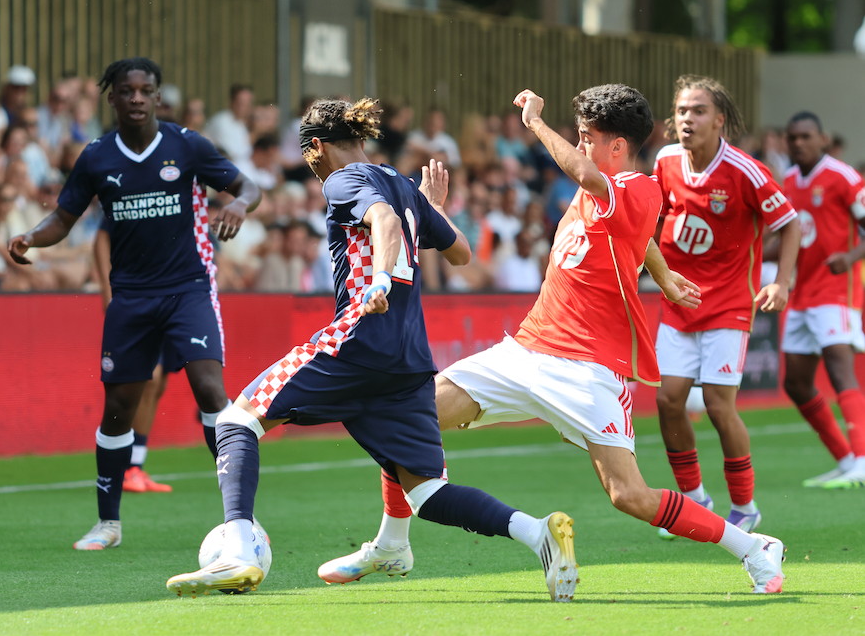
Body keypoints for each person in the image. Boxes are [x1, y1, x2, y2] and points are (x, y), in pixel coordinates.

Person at [316, 85, 787, 596]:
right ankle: (392, 543)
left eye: (587, 138)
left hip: (587, 370)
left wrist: (536, 125)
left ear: (617, 146)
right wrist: (666, 275)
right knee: (408, 416)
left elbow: (598, 184)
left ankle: (752, 546)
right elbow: (635, 234)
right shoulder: (602, 192)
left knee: (629, 496)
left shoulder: (639, 185)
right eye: (577, 137)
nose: (581, 147)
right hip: (526, 351)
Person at [165, 99, 579, 601]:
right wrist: (431, 209)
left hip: (358, 340)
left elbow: (381, 220)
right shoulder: (401, 182)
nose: (311, 168)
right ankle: (538, 533)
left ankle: (238, 551)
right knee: (426, 493)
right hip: (407, 360)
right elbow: (461, 252)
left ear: (316, 146)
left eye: (309, 156)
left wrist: (380, 276)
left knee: (236, 421)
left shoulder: (342, 180)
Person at [8, 57, 261, 550]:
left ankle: (241, 519)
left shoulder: (186, 145)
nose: (138, 98)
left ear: (158, 97)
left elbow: (246, 185)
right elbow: (63, 217)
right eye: (128, 91)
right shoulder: (97, 157)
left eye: (147, 90)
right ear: (113, 98)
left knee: (211, 389)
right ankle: (108, 523)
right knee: (118, 408)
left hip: (187, 289)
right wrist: (31, 238)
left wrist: (236, 203)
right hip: (131, 300)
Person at [652, 75, 801, 538]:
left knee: (718, 406)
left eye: (697, 111)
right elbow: (656, 217)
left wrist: (781, 283)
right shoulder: (665, 161)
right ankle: (694, 501)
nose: (686, 119)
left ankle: (745, 506)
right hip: (678, 302)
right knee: (667, 400)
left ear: (719, 120)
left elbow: (790, 224)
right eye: (680, 111)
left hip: (728, 305)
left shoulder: (746, 171)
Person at [780, 111, 865, 489]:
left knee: (838, 368)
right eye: (792, 137)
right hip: (801, 292)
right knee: (796, 383)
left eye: (805, 137)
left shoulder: (843, 177)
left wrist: (850, 257)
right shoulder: (788, 181)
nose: (798, 143)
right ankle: (846, 460)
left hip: (836, 290)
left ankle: (862, 459)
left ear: (822, 139)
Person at [92, 221, 173, 493]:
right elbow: (102, 237)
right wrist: (107, 289)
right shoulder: (136, 191)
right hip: (140, 297)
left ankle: (136, 465)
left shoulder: (188, 195)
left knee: (158, 384)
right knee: (149, 378)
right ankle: (124, 468)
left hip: (176, 297)